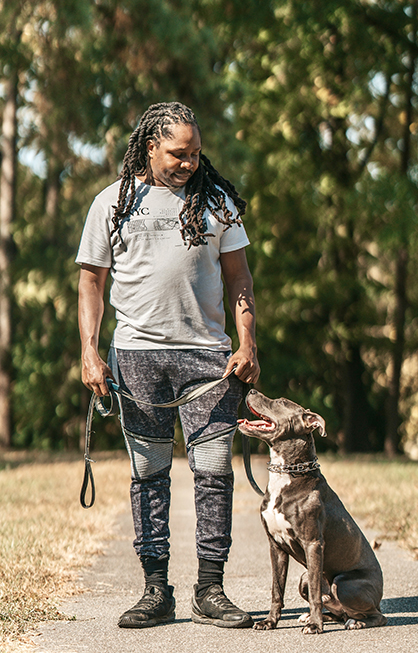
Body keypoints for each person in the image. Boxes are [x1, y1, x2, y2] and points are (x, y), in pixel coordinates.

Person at [76, 101, 260, 630]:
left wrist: (246, 343)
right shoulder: (112, 203)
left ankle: (211, 588)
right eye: (179, 153)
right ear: (150, 146)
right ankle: (156, 590)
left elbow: (239, 279)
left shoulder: (217, 201)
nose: (189, 162)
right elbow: (91, 280)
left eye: (196, 153)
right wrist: (90, 352)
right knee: (149, 474)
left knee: (213, 474)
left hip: (208, 357)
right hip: (136, 359)